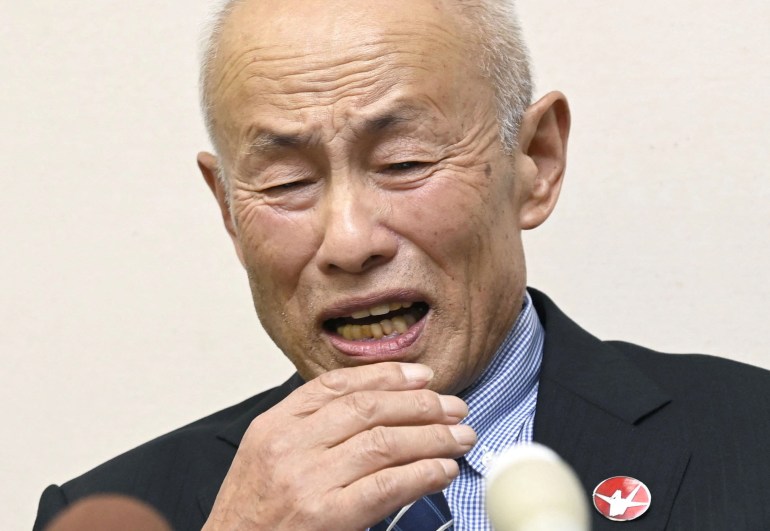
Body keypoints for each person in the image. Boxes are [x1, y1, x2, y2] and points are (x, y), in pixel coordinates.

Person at [34, 0, 770, 530]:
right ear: (229, 207)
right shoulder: (122, 506)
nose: (350, 241)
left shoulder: (750, 443)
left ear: (536, 162)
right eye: (287, 183)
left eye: (404, 161)